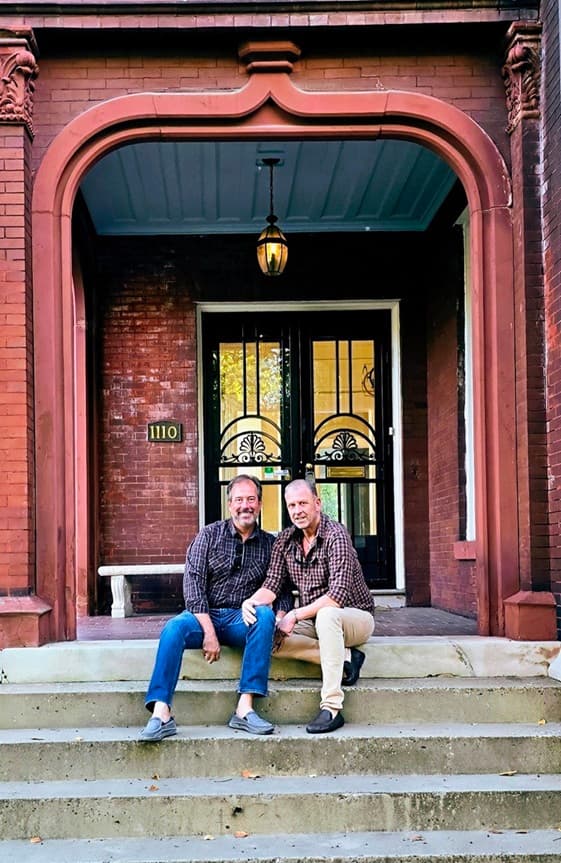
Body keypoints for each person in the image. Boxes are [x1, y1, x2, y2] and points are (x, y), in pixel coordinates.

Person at [140, 474, 279, 741]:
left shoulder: (270, 545)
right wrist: (209, 633)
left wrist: (282, 617)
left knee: (265, 614)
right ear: (229, 505)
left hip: (243, 618)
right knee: (173, 628)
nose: (245, 506)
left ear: (260, 504)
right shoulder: (209, 536)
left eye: (251, 499)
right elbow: (193, 587)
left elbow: (279, 589)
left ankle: (244, 708)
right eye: (239, 500)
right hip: (205, 615)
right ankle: (161, 713)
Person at [242, 478, 375, 734]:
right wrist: (250, 602)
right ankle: (347, 658)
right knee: (268, 635)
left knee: (327, 615)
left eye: (303, 503)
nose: (297, 511)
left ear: (317, 503)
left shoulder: (336, 535)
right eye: (291, 505)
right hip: (315, 621)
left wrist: (294, 614)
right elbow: (271, 584)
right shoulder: (285, 540)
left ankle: (332, 708)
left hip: (355, 617)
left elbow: (336, 596)